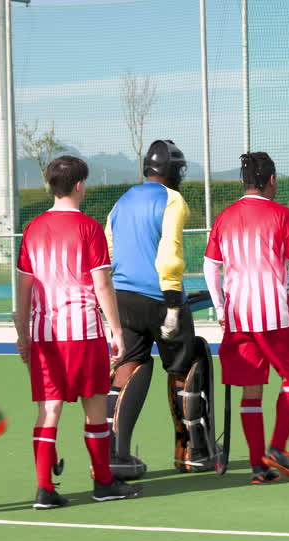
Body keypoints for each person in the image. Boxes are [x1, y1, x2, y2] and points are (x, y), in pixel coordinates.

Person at [14, 156, 140, 507]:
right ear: (80, 185)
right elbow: (102, 284)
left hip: (45, 333)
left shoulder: (33, 228)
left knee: (49, 409)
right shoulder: (89, 227)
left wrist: (23, 334)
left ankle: (44, 489)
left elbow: (23, 288)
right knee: (95, 407)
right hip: (83, 331)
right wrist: (117, 331)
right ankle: (103, 483)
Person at [203, 152, 289, 483]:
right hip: (276, 316)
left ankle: (258, 466)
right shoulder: (281, 215)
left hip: (238, 317)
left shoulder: (224, 217)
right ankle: (276, 447)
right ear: (271, 180)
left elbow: (210, 267)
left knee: (251, 391)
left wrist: (220, 307)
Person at [104, 139, 193, 479]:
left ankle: (114, 454)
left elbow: (108, 249)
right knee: (185, 366)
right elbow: (170, 252)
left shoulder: (122, 200)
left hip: (122, 297)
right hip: (160, 296)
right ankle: (190, 450)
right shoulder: (173, 199)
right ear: (173, 171)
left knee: (128, 367)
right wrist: (172, 301)